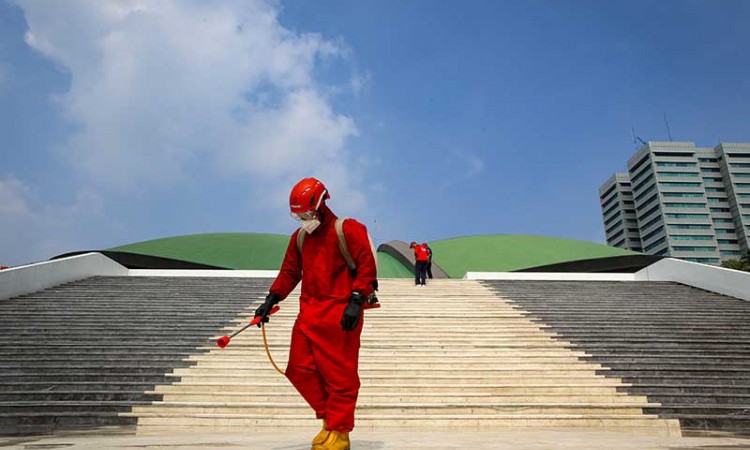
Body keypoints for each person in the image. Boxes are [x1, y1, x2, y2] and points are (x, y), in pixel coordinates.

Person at [254, 177, 377, 450]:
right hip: (308, 313)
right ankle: (329, 419)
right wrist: (272, 298)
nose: (304, 219)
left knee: (340, 375)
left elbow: (367, 264)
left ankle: (340, 432)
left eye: (307, 214)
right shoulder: (299, 238)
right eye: (298, 215)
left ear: (322, 204)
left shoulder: (348, 229)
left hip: (341, 313)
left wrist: (356, 300)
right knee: (298, 369)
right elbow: (289, 271)